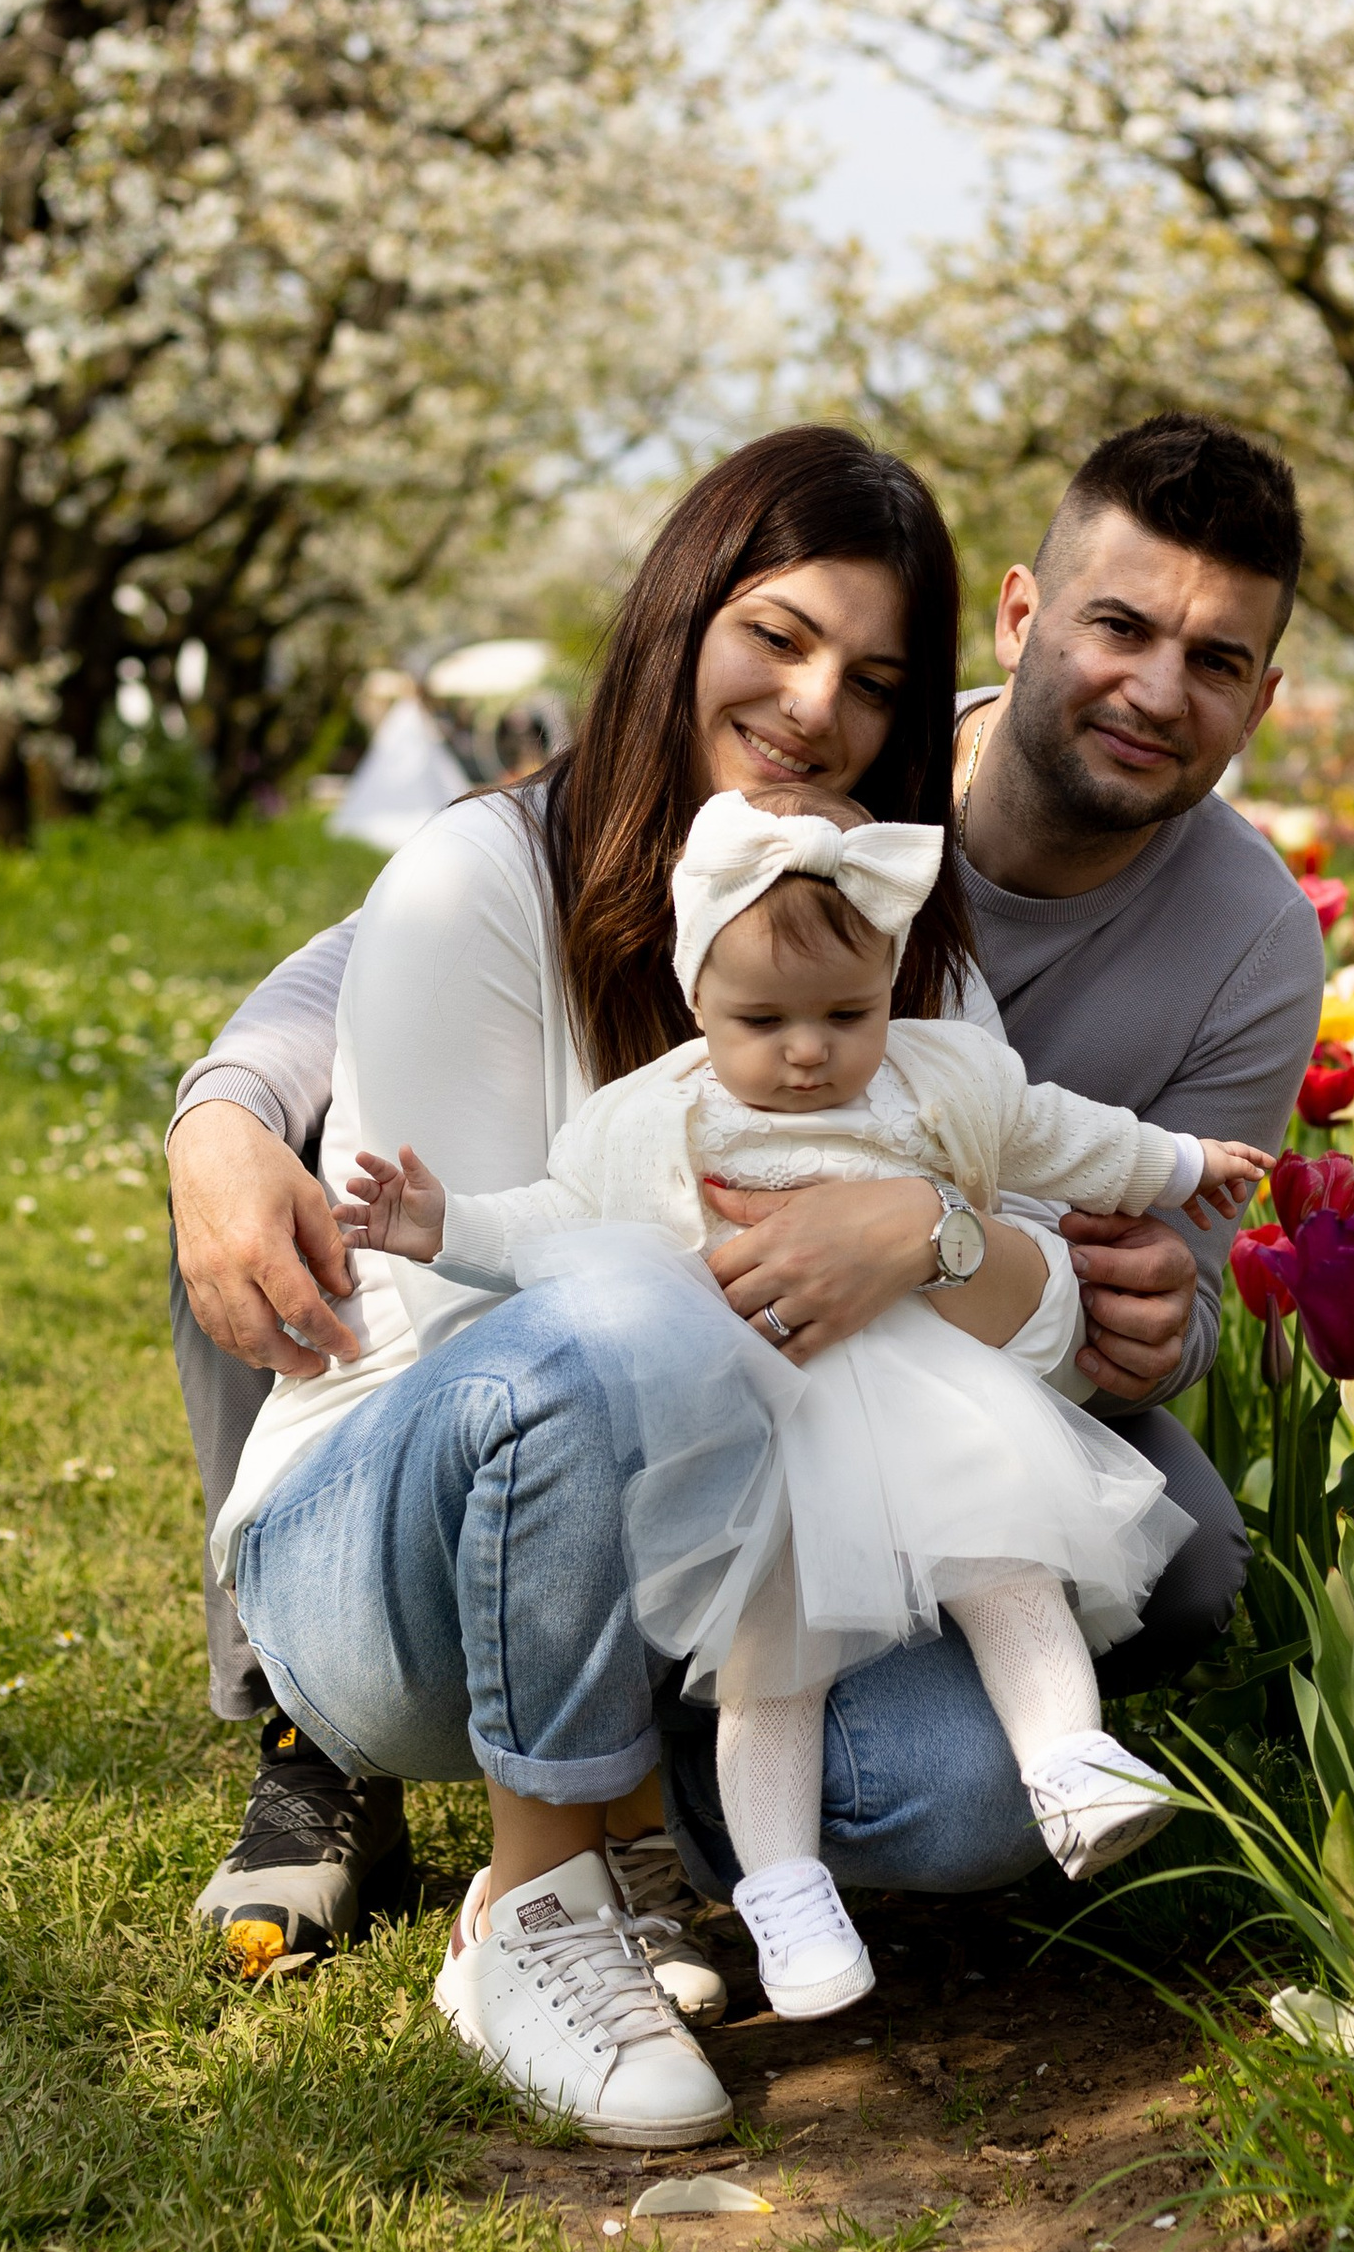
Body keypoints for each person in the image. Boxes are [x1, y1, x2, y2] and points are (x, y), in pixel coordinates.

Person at [168, 410, 1327, 1998]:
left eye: (869, 686)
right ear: (1024, 620)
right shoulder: (483, 875)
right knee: (612, 1299)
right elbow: (492, 1349)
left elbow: (1093, 1292)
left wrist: (927, 1237)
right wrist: (223, 1100)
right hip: (437, 1550)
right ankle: (558, 1865)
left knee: (978, 1781)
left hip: (773, 1502)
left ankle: (732, 1830)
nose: (811, 708)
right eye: (776, 640)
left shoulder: (909, 946)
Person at [337, 780, 1273, 2021]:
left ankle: (1068, 1763)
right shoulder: (661, 1116)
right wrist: (443, 1224)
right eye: (762, 1018)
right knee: (768, 1664)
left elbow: (1061, 1137)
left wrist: (1185, 1162)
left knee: (1005, 1563)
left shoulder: (938, 1079)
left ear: (894, 985)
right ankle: (784, 1904)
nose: (806, 1050)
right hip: (757, 1432)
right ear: (697, 1001)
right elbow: (557, 1228)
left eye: (847, 1012)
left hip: (926, 1398)